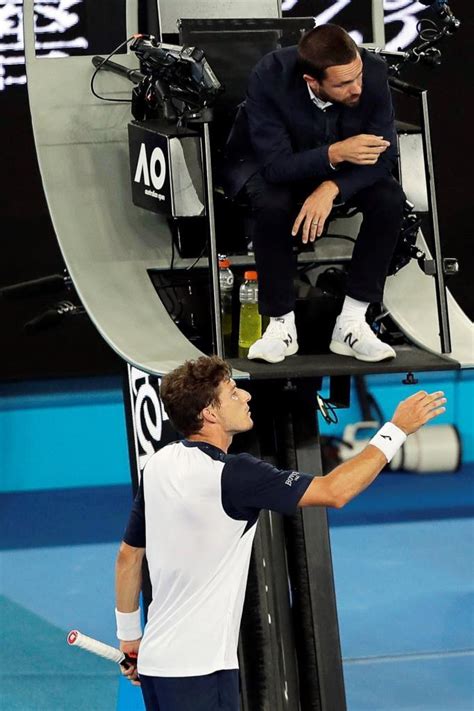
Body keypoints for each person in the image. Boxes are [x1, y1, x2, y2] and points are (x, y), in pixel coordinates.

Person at [115, 355, 446, 711]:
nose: (246, 396)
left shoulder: (160, 465)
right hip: (202, 672)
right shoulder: (233, 475)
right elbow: (335, 492)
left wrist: (130, 636)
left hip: (157, 664)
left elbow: (128, 556)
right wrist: (395, 430)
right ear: (209, 413)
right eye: (232, 393)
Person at [224, 24, 406, 364]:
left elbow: (385, 157)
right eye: (343, 84)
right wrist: (335, 154)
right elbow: (276, 167)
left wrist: (332, 187)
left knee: (390, 198)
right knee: (273, 203)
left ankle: (352, 322)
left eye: (358, 77)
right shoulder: (270, 76)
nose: (357, 89)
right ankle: (280, 325)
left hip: (338, 170)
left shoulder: (374, 72)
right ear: (313, 82)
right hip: (271, 164)